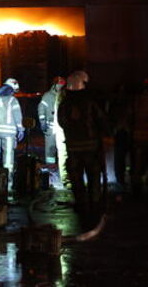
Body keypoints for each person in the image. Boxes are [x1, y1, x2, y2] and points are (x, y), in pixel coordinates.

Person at [57, 71, 108, 207]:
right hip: (91, 147)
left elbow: (62, 122)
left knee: (76, 177)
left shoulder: (64, 103)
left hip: (73, 147)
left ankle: (81, 202)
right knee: (93, 175)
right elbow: (101, 121)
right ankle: (94, 201)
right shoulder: (90, 102)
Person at [56, 71, 89, 187]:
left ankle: (72, 181)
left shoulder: (66, 98)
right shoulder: (66, 98)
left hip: (70, 134)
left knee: (72, 159)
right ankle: (67, 180)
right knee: (65, 155)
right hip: (65, 133)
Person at [0, 78, 24, 182]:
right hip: (8, 133)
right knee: (8, 155)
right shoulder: (13, 100)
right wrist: (21, 129)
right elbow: (18, 116)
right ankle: (7, 180)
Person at [38, 77, 66, 165]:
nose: (59, 87)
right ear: (54, 85)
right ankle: (50, 168)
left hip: (61, 127)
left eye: (61, 86)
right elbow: (41, 108)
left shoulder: (64, 95)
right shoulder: (47, 96)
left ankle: (63, 168)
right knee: (50, 149)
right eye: (58, 85)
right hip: (51, 127)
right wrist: (42, 122)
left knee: (63, 149)